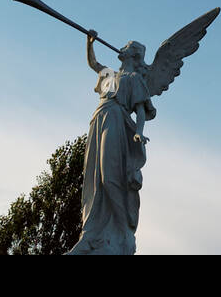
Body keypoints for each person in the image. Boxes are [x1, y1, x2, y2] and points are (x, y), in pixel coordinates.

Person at [66, 34, 156, 255]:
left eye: (126, 46)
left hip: (116, 119)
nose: (121, 46)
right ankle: (90, 234)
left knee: (108, 176)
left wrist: (139, 132)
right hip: (98, 118)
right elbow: (93, 64)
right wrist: (89, 44)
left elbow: (141, 111)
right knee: (93, 178)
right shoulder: (110, 74)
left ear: (132, 55)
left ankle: (123, 227)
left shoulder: (134, 78)